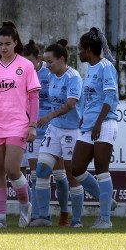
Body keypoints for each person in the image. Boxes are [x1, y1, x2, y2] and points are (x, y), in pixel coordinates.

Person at [0, 22, 39, 228]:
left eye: (7, 44)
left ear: (15, 43)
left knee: (12, 169)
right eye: (0, 44)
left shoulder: (26, 66)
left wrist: (32, 125)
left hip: (18, 124)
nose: (3, 48)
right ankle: (0, 219)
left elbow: (35, 98)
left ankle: (25, 205)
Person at [71, 27, 119, 229]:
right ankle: (107, 200)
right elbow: (91, 98)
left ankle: (105, 219)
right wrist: (84, 118)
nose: (78, 52)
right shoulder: (91, 68)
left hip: (104, 123)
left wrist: (98, 122)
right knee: (77, 168)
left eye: (80, 49)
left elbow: (109, 97)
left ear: (89, 49)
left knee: (101, 169)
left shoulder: (106, 67)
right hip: (90, 124)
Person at [30, 40, 81, 227]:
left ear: (61, 60)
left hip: (71, 130)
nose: (47, 65)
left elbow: (71, 104)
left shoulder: (73, 76)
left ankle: (75, 220)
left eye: (50, 62)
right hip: (54, 130)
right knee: (41, 170)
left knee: (71, 175)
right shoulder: (51, 75)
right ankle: (43, 217)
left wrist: (49, 116)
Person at [22, 40, 69, 225]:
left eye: (29, 61)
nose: (25, 65)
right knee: (37, 175)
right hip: (34, 132)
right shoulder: (22, 74)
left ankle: (64, 213)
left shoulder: (50, 72)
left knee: (59, 176)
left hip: (54, 130)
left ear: (38, 59)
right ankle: (40, 215)